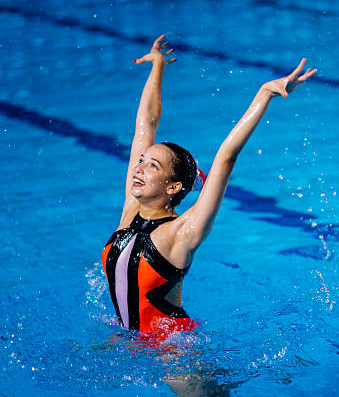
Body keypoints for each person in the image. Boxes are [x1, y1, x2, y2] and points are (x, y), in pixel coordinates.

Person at [101, 34, 316, 341]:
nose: (138, 168)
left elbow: (226, 157)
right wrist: (157, 66)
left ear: (174, 187)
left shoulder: (182, 233)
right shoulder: (130, 209)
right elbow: (145, 125)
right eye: (142, 161)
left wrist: (264, 93)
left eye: (152, 166)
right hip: (126, 340)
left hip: (173, 353)